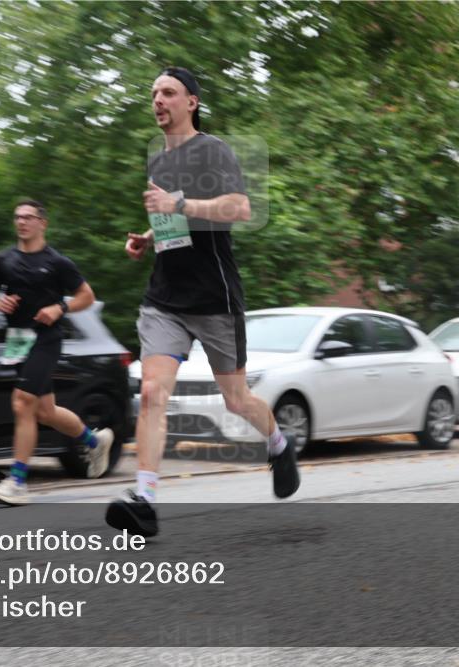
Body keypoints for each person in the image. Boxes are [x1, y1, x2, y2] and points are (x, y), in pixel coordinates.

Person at [106, 67, 300, 537]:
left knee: (236, 400)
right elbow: (179, 221)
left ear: (191, 101)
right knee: (152, 393)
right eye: (153, 93)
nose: (157, 99)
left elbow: (240, 209)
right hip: (165, 299)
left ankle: (277, 444)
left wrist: (181, 206)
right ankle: (145, 500)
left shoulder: (213, 151)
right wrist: (150, 237)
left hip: (215, 298)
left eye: (168, 92)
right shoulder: (159, 162)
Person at [0, 200, 113, 505]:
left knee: (22, 403)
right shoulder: (4, 260)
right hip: (17, 340)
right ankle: (95, 441)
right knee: (45, 412)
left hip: (46, 338)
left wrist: (59, 307)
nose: (21, 222)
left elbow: (86, 296)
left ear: (43, 223)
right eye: (17, 217)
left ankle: (17, 482)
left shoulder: (57, 263)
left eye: (28, 217)